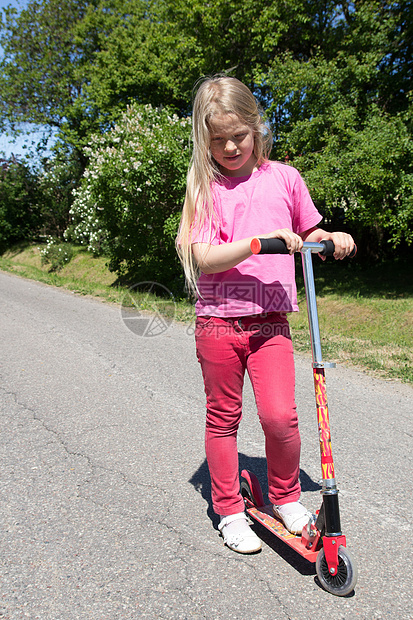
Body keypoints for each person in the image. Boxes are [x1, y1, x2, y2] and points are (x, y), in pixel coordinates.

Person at [177, 76, 354, 554]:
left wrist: (330, 240)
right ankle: (229, 509)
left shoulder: (284, 178)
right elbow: (201, 256)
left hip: (270, 322)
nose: (231, 146)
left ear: (257, 129)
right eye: (218, 140)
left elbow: (309, 230)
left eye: (240, 135)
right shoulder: (206, 187)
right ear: (204, 140)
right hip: (218, 322)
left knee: (280, 418)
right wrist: (258, 242)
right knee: (223, 418)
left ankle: (285, 496)